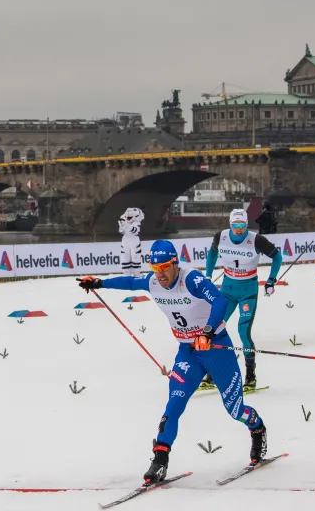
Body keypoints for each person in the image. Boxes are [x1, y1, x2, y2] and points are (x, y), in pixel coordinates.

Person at [77, 240, 267, 483]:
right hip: (188, 353)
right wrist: (99, 283)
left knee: (235, 410)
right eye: (155, 268)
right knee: (173, 405)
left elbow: (220, 300)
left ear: (175, 263)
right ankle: (160, 460)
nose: (161, 273)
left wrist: (207, 331)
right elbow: (131, 282)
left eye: (165, 267)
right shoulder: (154, 280)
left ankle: (257, 429)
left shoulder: (191, 280)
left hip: (216, 348)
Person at [200, 208, 282, 391]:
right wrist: (208, 276)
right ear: (230, 224)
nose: (239, 229)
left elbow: (277, 257)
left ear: (247, 224)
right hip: (228, 289)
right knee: (214, 328)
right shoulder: (220, 237)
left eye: (242, 225)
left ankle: (250, 376)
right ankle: (211, 374)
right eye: (235, 225)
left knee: (243, 331)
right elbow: (212, 253)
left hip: (248, 290)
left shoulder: (256, 240)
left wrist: (271, 280)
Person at [118, 207, 145, 277]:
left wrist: (127, 226)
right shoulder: (124, 221)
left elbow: (135, 230)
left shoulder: (137, 222)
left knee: (135, 257)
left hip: (134, 241)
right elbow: (121, 231)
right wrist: (121, 226)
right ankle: (127, 274)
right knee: (125, 258)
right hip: (125, 241)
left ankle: (137, 274)